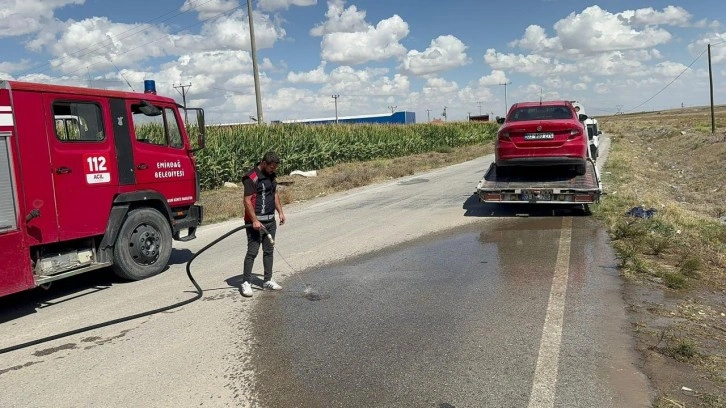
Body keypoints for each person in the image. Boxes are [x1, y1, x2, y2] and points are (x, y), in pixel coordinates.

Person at [240, 152, 286, 297]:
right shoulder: (251, 177)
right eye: (272, 168)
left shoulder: (271, 176)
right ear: (264, 163)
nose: (274, 170)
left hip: (270, 221)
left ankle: (267, 280)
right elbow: (247, 201)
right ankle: (246, 282)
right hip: (255, 223)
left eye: (275, 168)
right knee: (252, 252)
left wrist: (281, 212)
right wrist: (254, 220)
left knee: (269, 251)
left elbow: (275, 194)